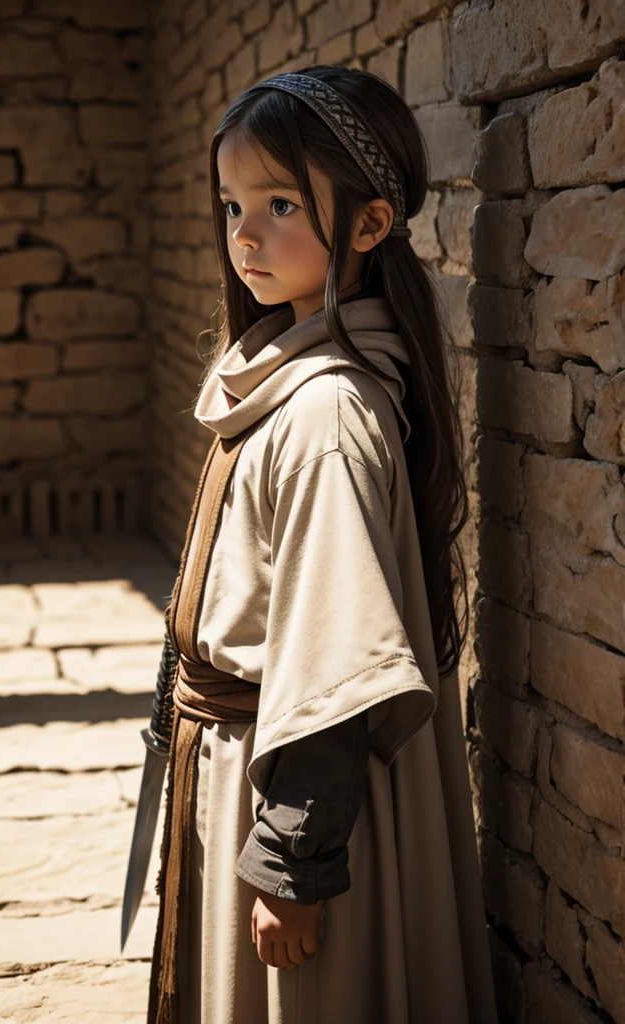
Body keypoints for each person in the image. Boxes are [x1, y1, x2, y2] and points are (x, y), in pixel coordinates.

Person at [147, 65, 498, 1024]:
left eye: (282, 203)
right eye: (232, 205)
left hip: (295, 790)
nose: (245, 235)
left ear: (370, 225)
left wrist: (290, 864)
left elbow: (341, 663)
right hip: (249, 763)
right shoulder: (298, 380)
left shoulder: (326, 414)